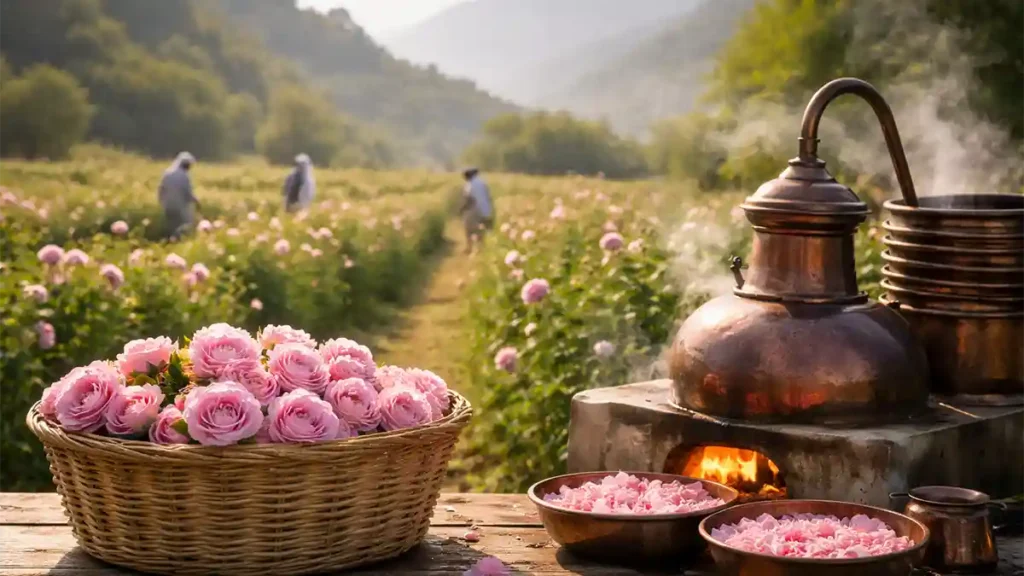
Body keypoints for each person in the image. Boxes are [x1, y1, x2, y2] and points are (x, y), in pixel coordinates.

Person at [158, 152, 199, 239]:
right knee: (184, 226)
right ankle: (179, 242)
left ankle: (170, 242)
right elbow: (187, 192)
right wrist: (196, 201)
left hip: (168, 205)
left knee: (171, 225)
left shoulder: (168, 173)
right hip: (180, 206)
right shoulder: (184, 176)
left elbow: (161, 189)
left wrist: (161, 201)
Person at [459, 167, 494, 254]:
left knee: (469, 230)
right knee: (482, 231)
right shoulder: (482, 183)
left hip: (474, 210)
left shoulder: (469, 185)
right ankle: (482, 249)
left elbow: (469, 199)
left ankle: (469, 248)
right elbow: (489, 197)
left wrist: (462, 209)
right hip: (486, 210)